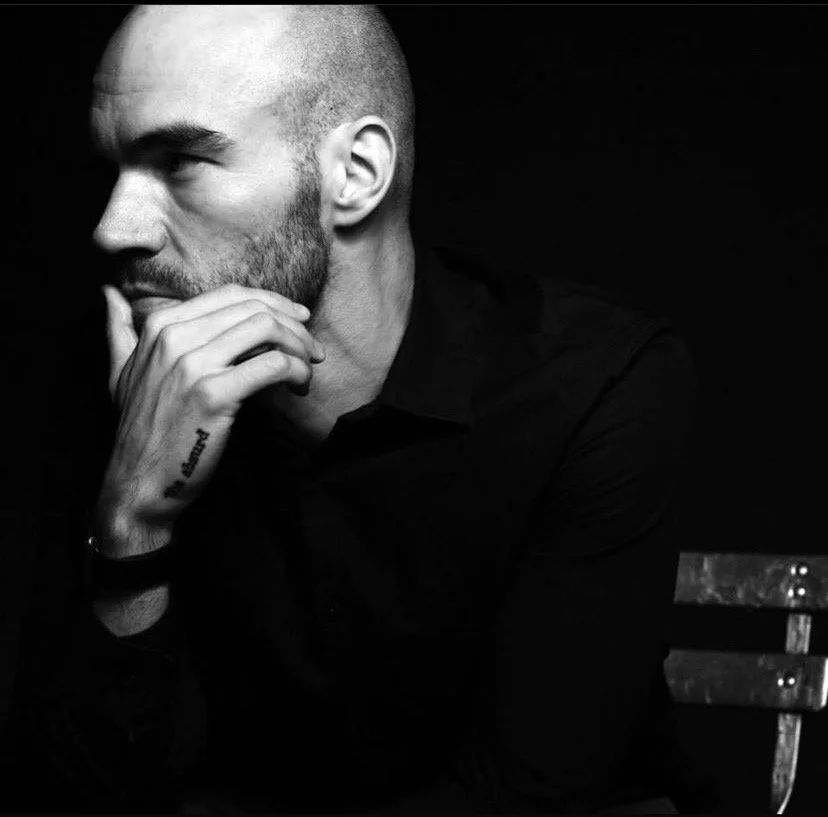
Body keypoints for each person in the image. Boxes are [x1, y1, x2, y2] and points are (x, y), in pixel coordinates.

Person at [9, 4, 697, 813]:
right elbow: (67, 790)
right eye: (113, 169)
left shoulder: (591, 387)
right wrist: (134, 523)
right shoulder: (123, 384)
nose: (112, 227)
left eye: (182, 159)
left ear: (357, 174)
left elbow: (525, 792)